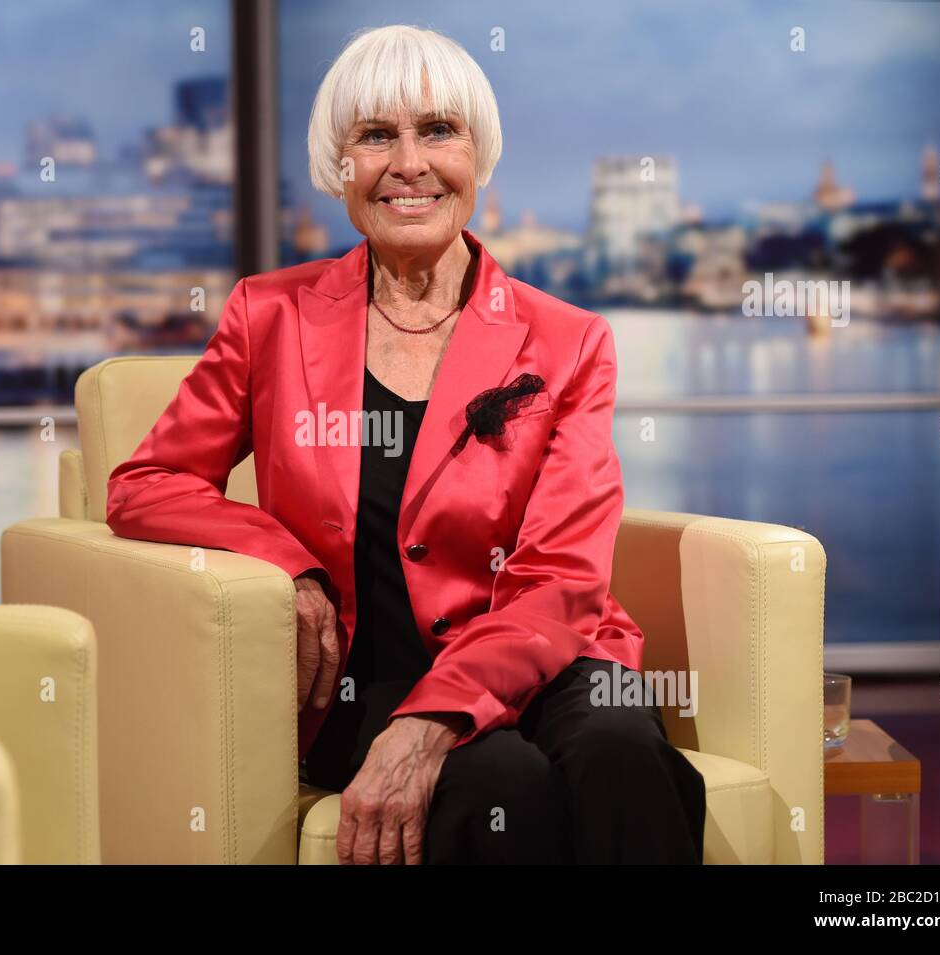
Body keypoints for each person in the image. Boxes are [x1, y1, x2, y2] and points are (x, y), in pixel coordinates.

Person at [106, 23, 705, 865]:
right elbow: (146, 481)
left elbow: (563, 577)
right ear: (338, 164)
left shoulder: (569, 339)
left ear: (479, 155)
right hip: (370, 675)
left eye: (438, 130)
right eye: (376, 136)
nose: (410, 163)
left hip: (552, 652)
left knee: (620, 751)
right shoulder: (268, 316)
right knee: (503, 786)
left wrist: (435, 720)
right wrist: (289, 561)